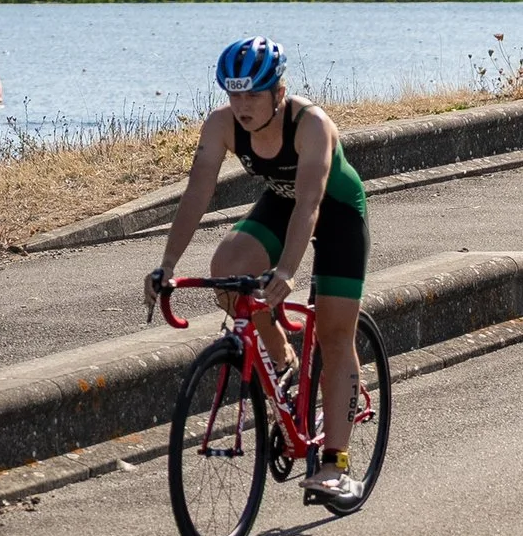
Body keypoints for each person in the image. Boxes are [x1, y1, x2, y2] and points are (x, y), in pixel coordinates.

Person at [148, 37, 371, 500]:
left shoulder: (311, 124)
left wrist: (287, 270)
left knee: (333, 332)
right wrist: (167, 265)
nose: (242, 105)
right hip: (281, 202)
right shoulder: (222, 126)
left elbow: (310, 202)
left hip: (336, 212)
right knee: (228, 274)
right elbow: (196, 194)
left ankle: (336, 465)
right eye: (234, 94)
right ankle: (285, 364)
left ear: (278, 91)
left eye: (253, 93)